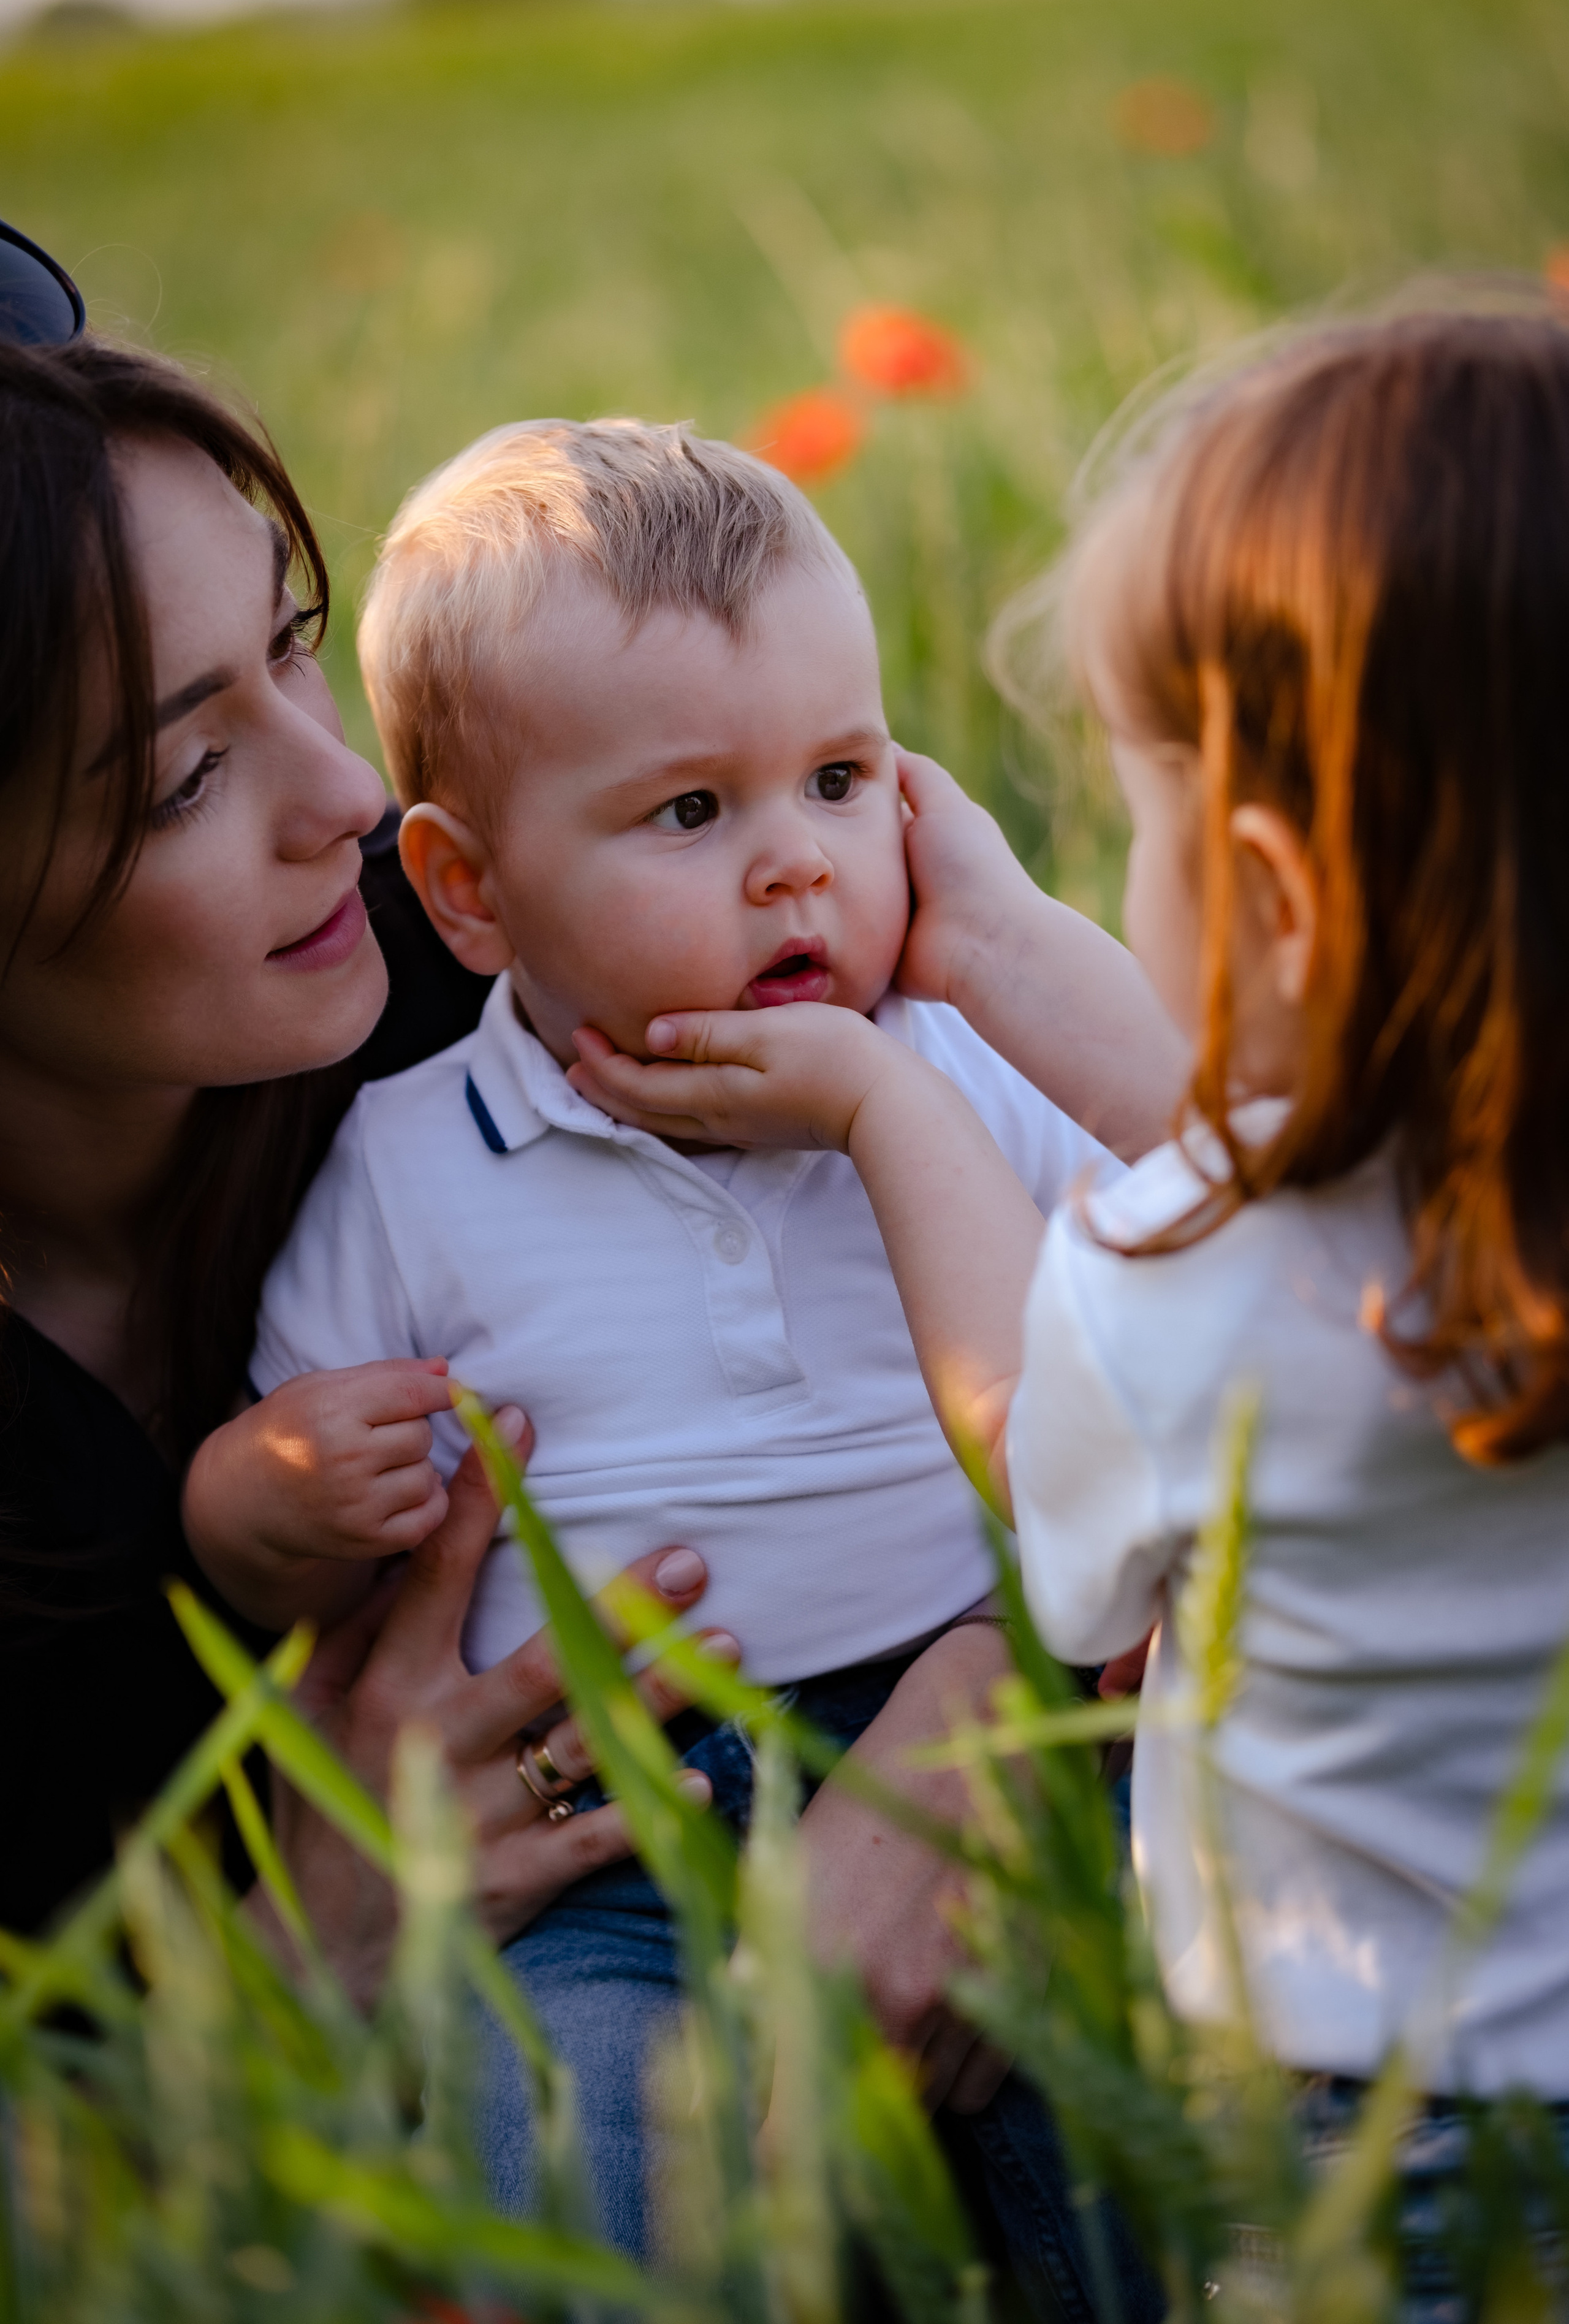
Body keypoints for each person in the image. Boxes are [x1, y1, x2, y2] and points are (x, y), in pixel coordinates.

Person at [571, 307, 1569, 2308]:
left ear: (1265, 888)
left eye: (1145, 818)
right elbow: (1277, 1132)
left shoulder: (1185, 1271)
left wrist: (892, 1107)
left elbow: (1048, 1492)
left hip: (1366, 2124)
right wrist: (1010, 948)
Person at [181, 416, 1182, 2288]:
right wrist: (261, 1504)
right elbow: (286, 1517)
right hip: (611, 1836)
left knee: (1114, 2153)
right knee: (570, 2142)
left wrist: (1001, 973)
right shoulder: (413, 1161)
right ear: (469, 894)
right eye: (693, 814)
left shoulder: (967, 1067)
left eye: (839, 778)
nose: (797, 865)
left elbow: (1209, 1274)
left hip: (1001, 1725)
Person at [0, 326, 739, 1992]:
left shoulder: (484, 965)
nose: (346, 791)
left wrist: (968, 1692)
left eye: (293, 643)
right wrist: (305, 1955)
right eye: (186, 777)